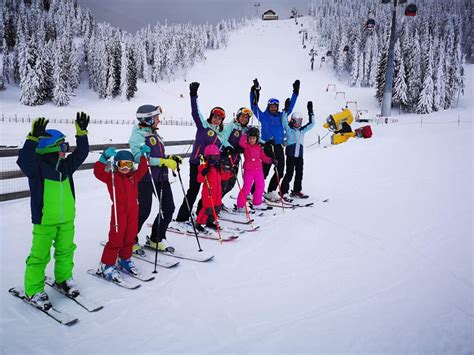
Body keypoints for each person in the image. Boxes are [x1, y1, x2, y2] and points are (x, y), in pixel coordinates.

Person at [16, 113, 90, 309]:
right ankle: (34, 289)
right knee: (39, 256)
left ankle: (64, 279)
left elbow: (82, 153)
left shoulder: (65, 166)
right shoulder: (36, 168)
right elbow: (23, 160)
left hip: (67, 219)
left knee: (66, 251)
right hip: (44, 220)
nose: (66, 150)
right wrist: (32, 139)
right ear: (51, 148)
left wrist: (81, 134)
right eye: (63, 146)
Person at [174, 82, 228, 227]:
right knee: (193, 190)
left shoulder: (220, 135)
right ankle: (182, 217)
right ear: (211, 117)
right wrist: (193, 95)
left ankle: (202, 216)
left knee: (208, 192)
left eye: (220, 118)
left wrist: (229, 151)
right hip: (197, 163)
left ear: (222, 120)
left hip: (211, 166)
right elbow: (195, 112)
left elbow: (223, 147)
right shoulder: (203, 126)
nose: (217, 119)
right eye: (215, 116)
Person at [93, 146, 150, 282]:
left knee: (130, 236)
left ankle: (124, 259)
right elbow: (98, 172)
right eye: (121, 164)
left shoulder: (134, 177)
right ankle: (107, 264)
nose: (125, 167)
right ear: (116, 165)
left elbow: (143, 169)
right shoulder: (111, 177)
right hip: (119, 213)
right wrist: (103, 158)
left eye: (128, 164)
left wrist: (143, 155)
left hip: (133, 211)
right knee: (116, 238)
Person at [129, 104, 180, 255]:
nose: (159, 120)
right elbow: (139, 157)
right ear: (148, 119)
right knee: (143, 211)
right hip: (145, 178)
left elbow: (158, 154)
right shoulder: (138, 135)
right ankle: (130, 240)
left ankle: (155, 239)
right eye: (156, 117)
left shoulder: (154, 134)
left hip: (161, 177)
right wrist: (163, 162)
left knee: (168, 209)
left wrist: (169, 158)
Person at [249, 78, 299, 201]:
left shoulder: (282, 117)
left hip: (278, 147)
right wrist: (253, 92)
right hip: (266, 147)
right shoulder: (263, 116)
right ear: (268, 107)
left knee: (280, 171)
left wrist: (295, 93)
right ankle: (253, 191)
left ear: (277, 107)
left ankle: (271, 191)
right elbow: (254, 106)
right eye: (271, 106)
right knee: (264, 171)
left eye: (275, 106)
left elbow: (290, 107)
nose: (273, 108)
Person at [281, 101, 316, 200]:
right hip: (290, 155)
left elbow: (312, 123)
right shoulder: (289, 129)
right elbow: (284, 121)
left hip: (300, 155)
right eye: (295, 121)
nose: (297, 124)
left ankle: (297, 190)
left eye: (299, 121)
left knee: (299, 173)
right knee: (289, 173)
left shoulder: (302, 130)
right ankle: (284, 191)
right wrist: (286, 110)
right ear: (292, 121)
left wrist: (310, 112)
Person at [235, 127, 276, 211]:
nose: (251, 140)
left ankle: (257, 203)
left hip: (259, 170)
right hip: (248, 170)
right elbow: (241, 142)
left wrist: (271, 160)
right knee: (247, 188)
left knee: (260, 186)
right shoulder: (246, 146)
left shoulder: (259, 147)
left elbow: (263, 157)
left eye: (253, 138)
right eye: (250, 138)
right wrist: (244, 134)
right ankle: (240, 205)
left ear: (257, 139)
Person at [195, 144, 232, 230]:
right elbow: (199, 179)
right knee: (207, 208)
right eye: (213, 157)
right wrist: (203, 173)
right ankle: (199, 223)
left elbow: (224, 177)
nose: (216, 159)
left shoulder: (218, 167)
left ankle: (210, 222)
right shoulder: (204, 167)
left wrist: (227, 171)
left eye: (217, 157)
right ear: (208, 157)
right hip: (208, 191)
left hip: (217, 192)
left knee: (217, 207)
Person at [220, 107, 252, 201]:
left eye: (246, 118)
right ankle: (214, 204)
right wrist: (229, 147)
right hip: (226, 158)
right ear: (238, 116)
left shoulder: (246, 130)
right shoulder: (231, 125)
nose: (244, 119)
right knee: (223, 184)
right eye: (242, 116)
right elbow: (223, 138)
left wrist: (264, 143)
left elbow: (254, 140)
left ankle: (218, 202)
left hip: (236, 160)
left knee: (231, 184)